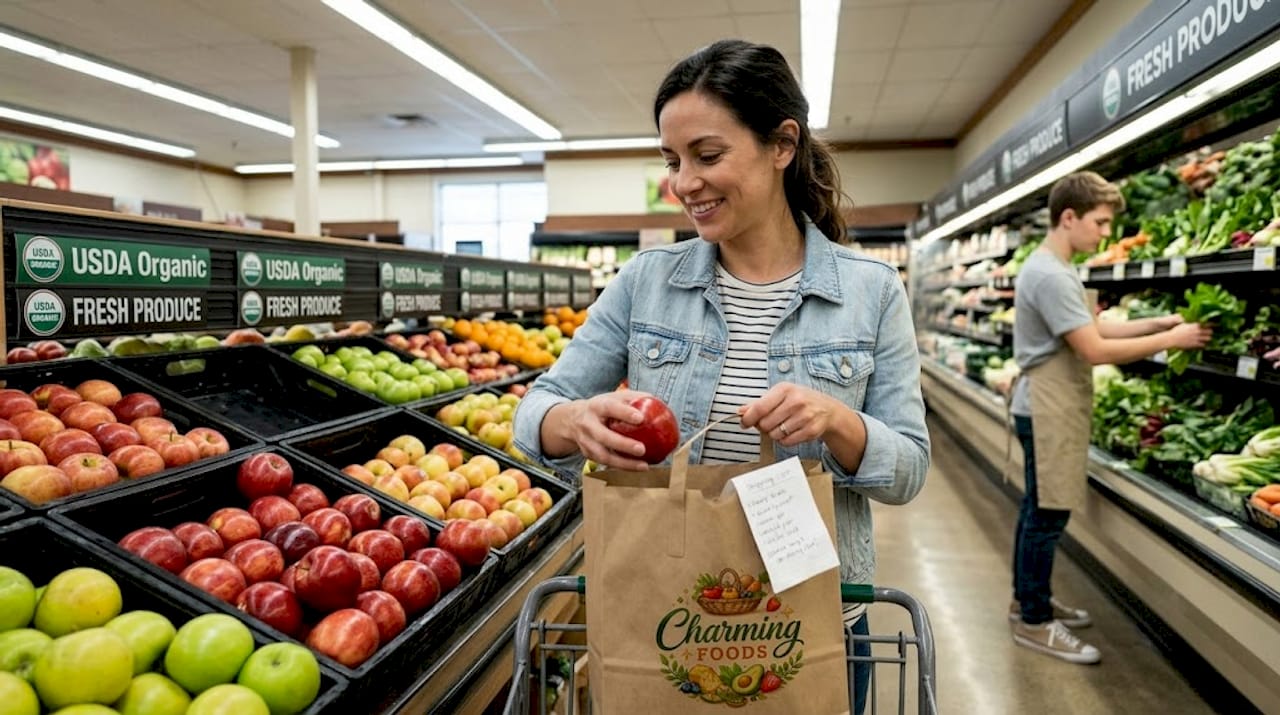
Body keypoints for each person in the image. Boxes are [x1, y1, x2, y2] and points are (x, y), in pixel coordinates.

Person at [512, 39, 930, 714]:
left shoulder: (871, 292)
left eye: (706, 156)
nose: (683, 182)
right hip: (668, 622)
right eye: (672, 161)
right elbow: (535, 413)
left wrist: (839, 421)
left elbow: (909, 468)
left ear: (782, 144)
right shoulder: (646, 283)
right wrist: (573, 422)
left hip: (810, 623)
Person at [1008, 171, 1212, 663]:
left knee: (1039, 510)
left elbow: (1090, 326)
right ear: (1069, 217)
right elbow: (1095, 349)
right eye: (1099, 223)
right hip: (1048, 405)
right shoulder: (1052, 274)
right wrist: (1172, 340)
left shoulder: (1053, 266)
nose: (1105, 234)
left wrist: (1156, 322)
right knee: (1047, 515)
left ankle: (1028, 601)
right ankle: (1035, 621)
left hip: (1045, 401)